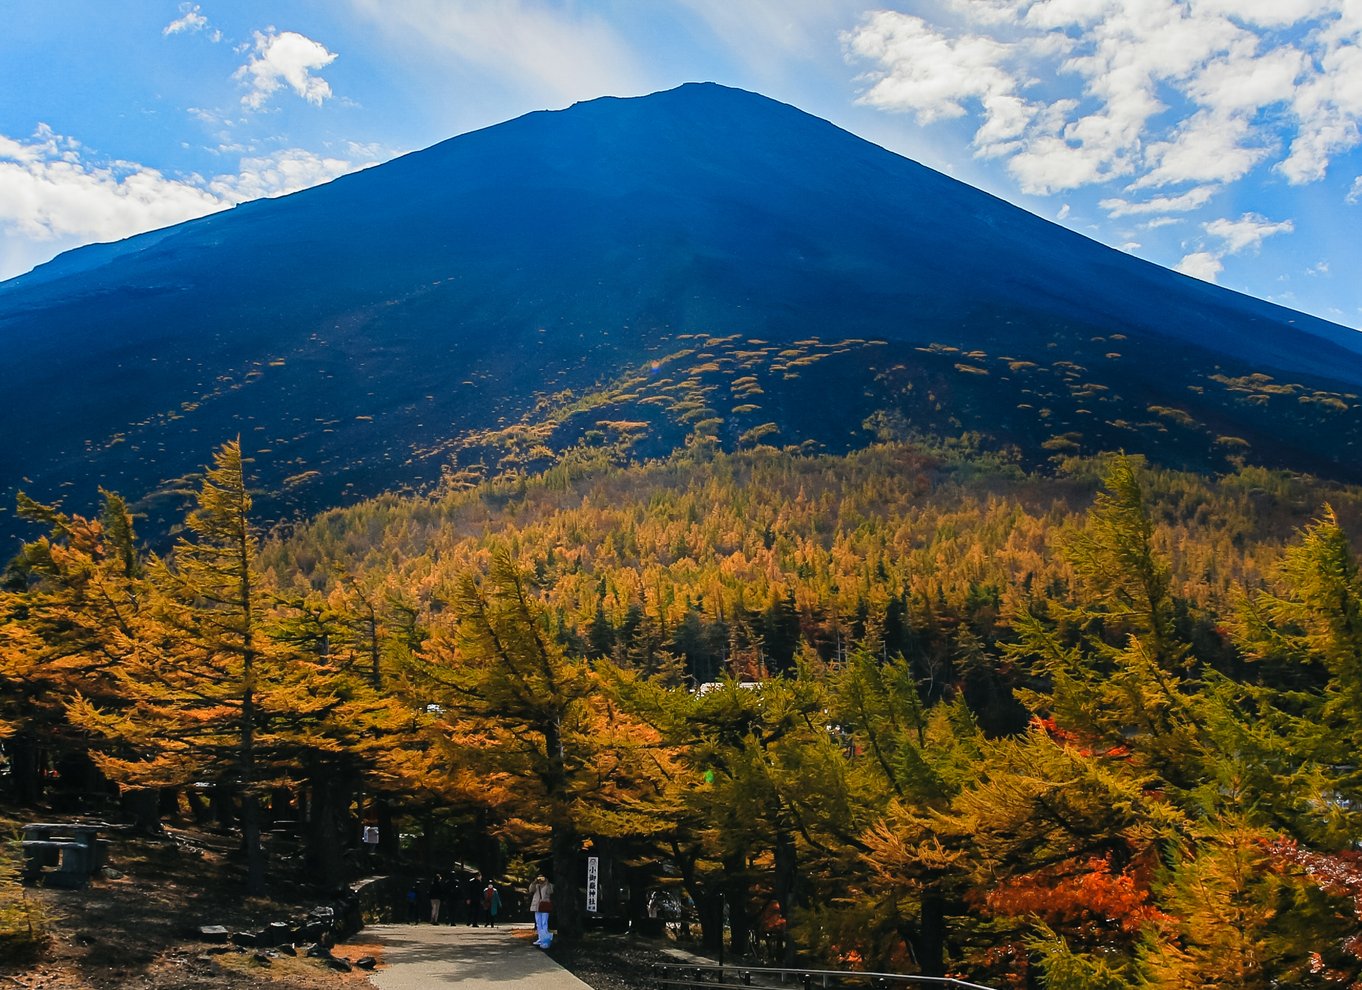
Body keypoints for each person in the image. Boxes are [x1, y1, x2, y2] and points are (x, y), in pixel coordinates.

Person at [528, 874, 553, 948]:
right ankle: (540, 938)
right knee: (538, 923)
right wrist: (534, 882)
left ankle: (545, 939)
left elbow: (550, 892)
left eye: (542, 878)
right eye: (539, 878)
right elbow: (530, 890)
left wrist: (547, 883)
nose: (540, 879)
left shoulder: (549, 885)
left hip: (545, 905)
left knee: (544, 923)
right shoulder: (536, 885)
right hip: (536, 906)